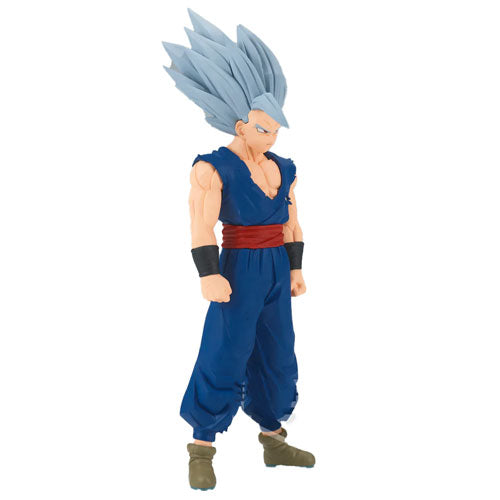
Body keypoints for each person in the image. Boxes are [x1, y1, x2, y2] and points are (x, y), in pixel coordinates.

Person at [163, 9, 315, 491]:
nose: (272, 136)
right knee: (225, 351)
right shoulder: (212, 168)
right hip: (237, 267)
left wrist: (295, 268)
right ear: (240, 124)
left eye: (276, 128)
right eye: (264, 127)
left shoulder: (284, 167)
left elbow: (291, 221)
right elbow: (200, 224)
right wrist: (209, 273)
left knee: (278, 352)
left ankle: (273, 439)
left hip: (276, 268)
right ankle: (202, 445)